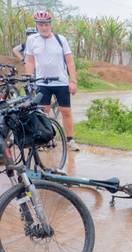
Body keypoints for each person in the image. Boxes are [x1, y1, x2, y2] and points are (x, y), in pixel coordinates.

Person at [25, 10, 80, 151]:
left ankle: (70, 140)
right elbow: (30, 62)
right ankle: (47, 140)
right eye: (41, 24)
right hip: (42, 82)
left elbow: (70, 62)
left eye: (47, 24)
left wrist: (73, 81)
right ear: (37, 25)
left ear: (51, 25)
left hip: (61, 81)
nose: (44, 27)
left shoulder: (60, 39)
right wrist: (28, 79)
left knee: (65, 111)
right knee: (43, 112)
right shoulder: (32, 40)